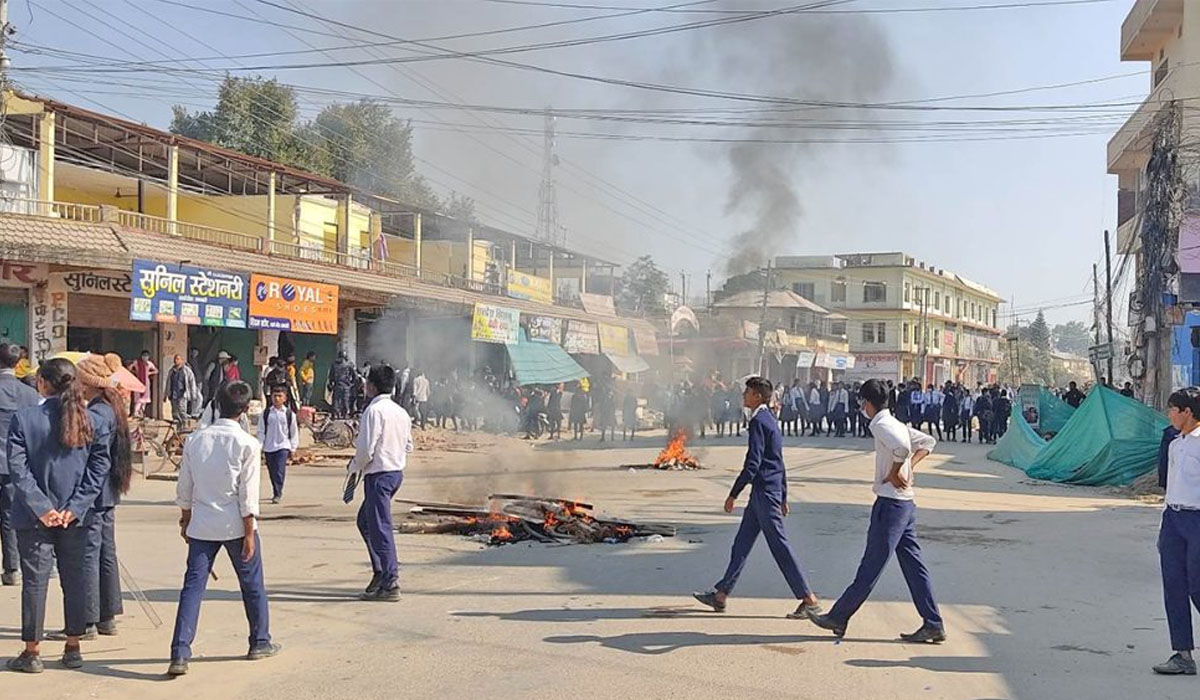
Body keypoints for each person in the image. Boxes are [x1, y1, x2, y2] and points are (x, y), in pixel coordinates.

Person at [804, 378, 944, 643]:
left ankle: (838, 616)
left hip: (891, 504)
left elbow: (902, 448)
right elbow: (927, 441)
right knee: (914, 567)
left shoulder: (879, 424)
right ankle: (933, 622)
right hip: (906, 504)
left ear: (866, 403)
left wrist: (894, 472)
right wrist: (908, 468)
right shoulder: (896, 423)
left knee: (870, 566)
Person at [4, 358, 114, 673]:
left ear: (42, 383)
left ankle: (32, 651)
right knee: (75, 580)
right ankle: (73, 647)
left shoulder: (25, 419)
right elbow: (98, 471)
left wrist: (42, 508)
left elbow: (19, 470)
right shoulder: (91, 420)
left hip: (34, 517)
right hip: (77, 517)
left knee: (35, 584)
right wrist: (74, 507)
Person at [168, 381, 279, 676]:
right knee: (252, 585)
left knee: (192, 588)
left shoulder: (196, 439)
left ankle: (180, 652)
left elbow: (185, 487)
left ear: (216, 404)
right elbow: (248, 495)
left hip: (202, 525)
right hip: (235, 526)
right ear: (244, 411)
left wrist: (185, 518)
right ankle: (259, 641)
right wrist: (250, 533)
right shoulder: (247, 444)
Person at [692, 377, 822, 619]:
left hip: (764, 495)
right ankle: (720, 595)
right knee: (740, 545)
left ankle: (809, 599)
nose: (744, 395)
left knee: (780, 547)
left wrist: (733, 494)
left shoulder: (759, 422)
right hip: (765, 494)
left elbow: (753, 464)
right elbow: (779, 462)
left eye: (748, 392)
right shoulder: (769, 419)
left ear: (758, 397)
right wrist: (783, 495)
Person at [76, 354, 133, 639]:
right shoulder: (112, 408)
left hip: (94, 494)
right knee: (105, 552)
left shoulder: (96, 415)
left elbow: (92, 460)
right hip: (107, 493)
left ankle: (86, 619)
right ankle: (107, 616)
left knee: (89, 553)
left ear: (89, 384)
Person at [348, 365, 412, 602]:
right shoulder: (401, 412)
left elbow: (366, 449)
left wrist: (354, 466)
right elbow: (409, 445)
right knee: (365, 521)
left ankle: (390, 581)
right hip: (395, 473)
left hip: (379, 475)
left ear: (372, 386)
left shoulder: (373, 411)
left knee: (380, 527)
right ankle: (380, 570)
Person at [1152, 388, 1200, 676]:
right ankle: (1182, 654)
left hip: (1197, 520)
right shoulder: (1174, 443)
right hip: (1173, 518)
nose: (1169, 414)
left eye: (1172, 409)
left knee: (1197, 586)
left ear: (1187, 412)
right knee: (1174, 586)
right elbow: (1170, 484)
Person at [0, 343, 41, 587]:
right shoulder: (31, 395)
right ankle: (12, 568)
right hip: (16, 464)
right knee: (9, 515)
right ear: (18, 364)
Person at [258, 384, 299, 505]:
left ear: (285, 398)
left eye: (279, 396)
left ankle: (278, 493)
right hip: (269, 447)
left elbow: (294, 431)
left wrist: (293, 448)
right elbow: (261, 430)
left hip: (283, 446)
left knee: (279, 470)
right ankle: (275, 488)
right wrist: (260, 446)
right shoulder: (266, 414)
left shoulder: (289, 414)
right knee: (272, 471)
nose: (277, 398)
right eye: (275, 396)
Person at [166, 354, 200, 428]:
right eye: (175, 359)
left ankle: (185, 425)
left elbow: (192, 382)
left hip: (182, 394)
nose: (176, 360)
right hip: (173, 394)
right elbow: (168, 383)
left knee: (182, 410)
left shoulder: (187, 371)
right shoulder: (171, 371)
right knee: (175, 412)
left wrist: (193, 394)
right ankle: (178, 428)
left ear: (182, 360)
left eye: (178, 359)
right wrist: (166, 394)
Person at [127, 350, 157, 418]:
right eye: (144, 355)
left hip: (146, 381)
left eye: (146, 356)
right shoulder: (137, 362)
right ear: (141, 356)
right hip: (138, 381)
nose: (145, 357)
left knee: (145, 398)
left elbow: (156, 370)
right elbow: (129, 368)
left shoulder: (149, 364)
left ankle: (141, 411)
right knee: (138, 398)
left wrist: (149, 373)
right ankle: (136, 412)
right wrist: (135, 372)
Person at [328, 352, 357, 420]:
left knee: (336, 400)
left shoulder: (334, 364)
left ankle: (335, 414)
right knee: (345, 400)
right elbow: (355, 375)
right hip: (346, 385)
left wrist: (331, 383)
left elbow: (331, 376)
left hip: (337, 385)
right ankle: (344, 415)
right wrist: (351, 383)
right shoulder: (348, 364)